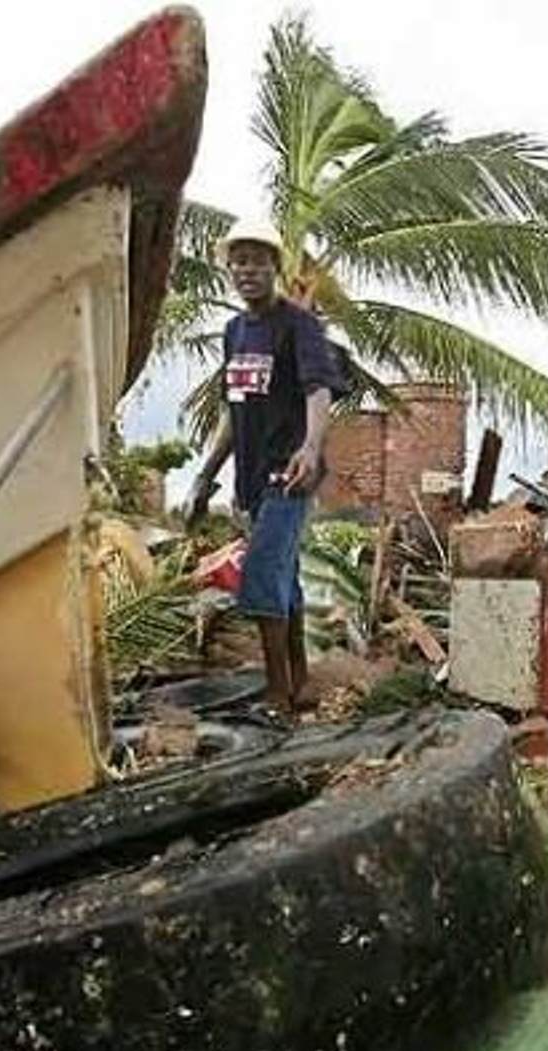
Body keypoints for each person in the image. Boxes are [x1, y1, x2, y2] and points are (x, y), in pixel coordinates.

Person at [187, 222, 339, 717]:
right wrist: (205, 476)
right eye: (239, 261)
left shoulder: (299, 325)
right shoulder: (235, 332)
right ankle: (300, 679)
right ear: (228, 269)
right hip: (251, 481)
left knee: (260, 575)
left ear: (275, 266)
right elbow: (235, 413)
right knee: (284, 579)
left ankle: (277, 696)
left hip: (291, 474)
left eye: (257, 260)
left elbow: (318, 389)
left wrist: (311, 447)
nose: (247, 270)